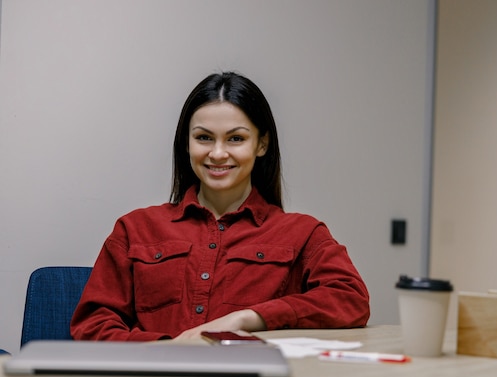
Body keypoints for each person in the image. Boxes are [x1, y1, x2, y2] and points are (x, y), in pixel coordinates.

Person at [70, 71, 370, 341]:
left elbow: (351, 299)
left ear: (261, 145)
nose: (217, 153)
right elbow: (93, 325)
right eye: (203, 138)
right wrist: (168, 350)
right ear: (186, 143)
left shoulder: (303, 233)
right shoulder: (135, 229)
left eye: (236, 139)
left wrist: (250, 318)